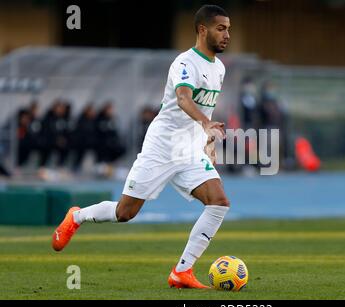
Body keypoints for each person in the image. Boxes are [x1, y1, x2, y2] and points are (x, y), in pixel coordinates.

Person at [52, 4, 231, 289]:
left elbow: (204, 110)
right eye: (221, 28)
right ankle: (77, 216)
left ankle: (182, 272)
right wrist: (204, 124)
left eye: (228, 29)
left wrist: (206, 140)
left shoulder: (219, 67)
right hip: (162, 146)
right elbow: (184, 99)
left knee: (219, 202)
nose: (226, 35)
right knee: (126, 213)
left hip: (188, 150)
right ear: (202, 30)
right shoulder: (184, 63)